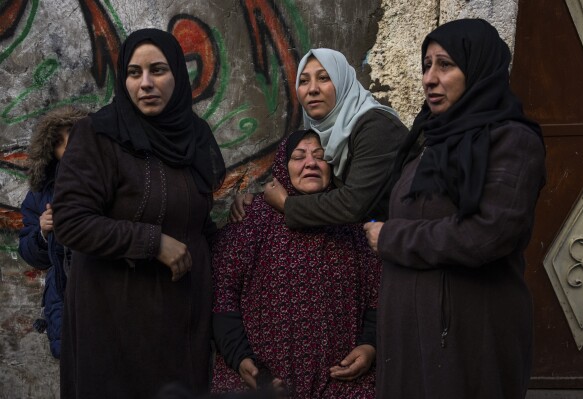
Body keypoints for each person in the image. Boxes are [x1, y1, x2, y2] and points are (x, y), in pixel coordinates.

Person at [363, 19, 546, 398]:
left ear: (477, 69)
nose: (430, 78)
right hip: (409, 340)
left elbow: (488, 234)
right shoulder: (430, 143)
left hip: (467, 337)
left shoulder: (511, 141)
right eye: (426, 65)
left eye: (445, 65)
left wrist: (393, 237)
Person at [52, 28, 225, 398]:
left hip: (181, 319)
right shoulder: (98, 135)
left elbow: (196, 218)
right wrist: (152, 242)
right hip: (114, 317)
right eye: (134, 73)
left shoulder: (195, 136)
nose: (145, 83)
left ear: (178, 76)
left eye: (158, 70)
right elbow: (70, 221)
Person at [211, 129, 380, 399]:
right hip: (263, 383)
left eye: (320, 157)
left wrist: (370, 346)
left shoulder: (352, 227)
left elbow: (377, 297)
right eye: (298, 157)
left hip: (342, 384)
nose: (310, 163)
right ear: (282, 167)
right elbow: (223, 297)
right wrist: (242, 360)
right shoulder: (252, 221)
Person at [230, 48, 408, 227]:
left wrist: (285, 204)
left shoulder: (375, 126)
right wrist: (257, 202)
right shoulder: (326, 133)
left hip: (415, 241)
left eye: (323, 78)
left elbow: (352, 204)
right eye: (304, 81)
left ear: (342, 82)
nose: (312, 89)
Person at [18, 106, 86, 359]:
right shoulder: (41, 195)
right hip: (64, 299)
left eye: (74, 134)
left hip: (108, 293)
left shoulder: (112, 180)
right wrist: (43, 233)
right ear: (50, 151)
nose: (68, 146)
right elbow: (31, 254)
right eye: (58, 142)